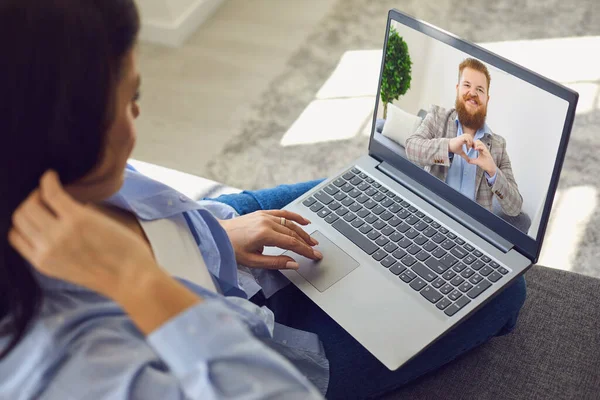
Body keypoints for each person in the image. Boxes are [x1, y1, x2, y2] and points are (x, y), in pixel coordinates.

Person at [0, 1, 527, 399]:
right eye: (131, 99)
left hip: (215, 231)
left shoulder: (32, 172)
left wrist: (214, 238)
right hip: (264, 342)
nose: (138, 119)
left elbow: (512, 201)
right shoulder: (66, 361)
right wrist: (141, 283)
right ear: (63, 131)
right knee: (506, 291)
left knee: (371, 191)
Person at [405, 58, 523, 217]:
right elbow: (411, 148)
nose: (473, 93)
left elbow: (515, 208)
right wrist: (448, 147)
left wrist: (493, 171)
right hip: (431, 215)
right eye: (467, 85)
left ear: (487, 99)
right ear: (457, 88)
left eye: (480, 89)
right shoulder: (437, 117)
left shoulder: (498, 146)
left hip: (473, 230)